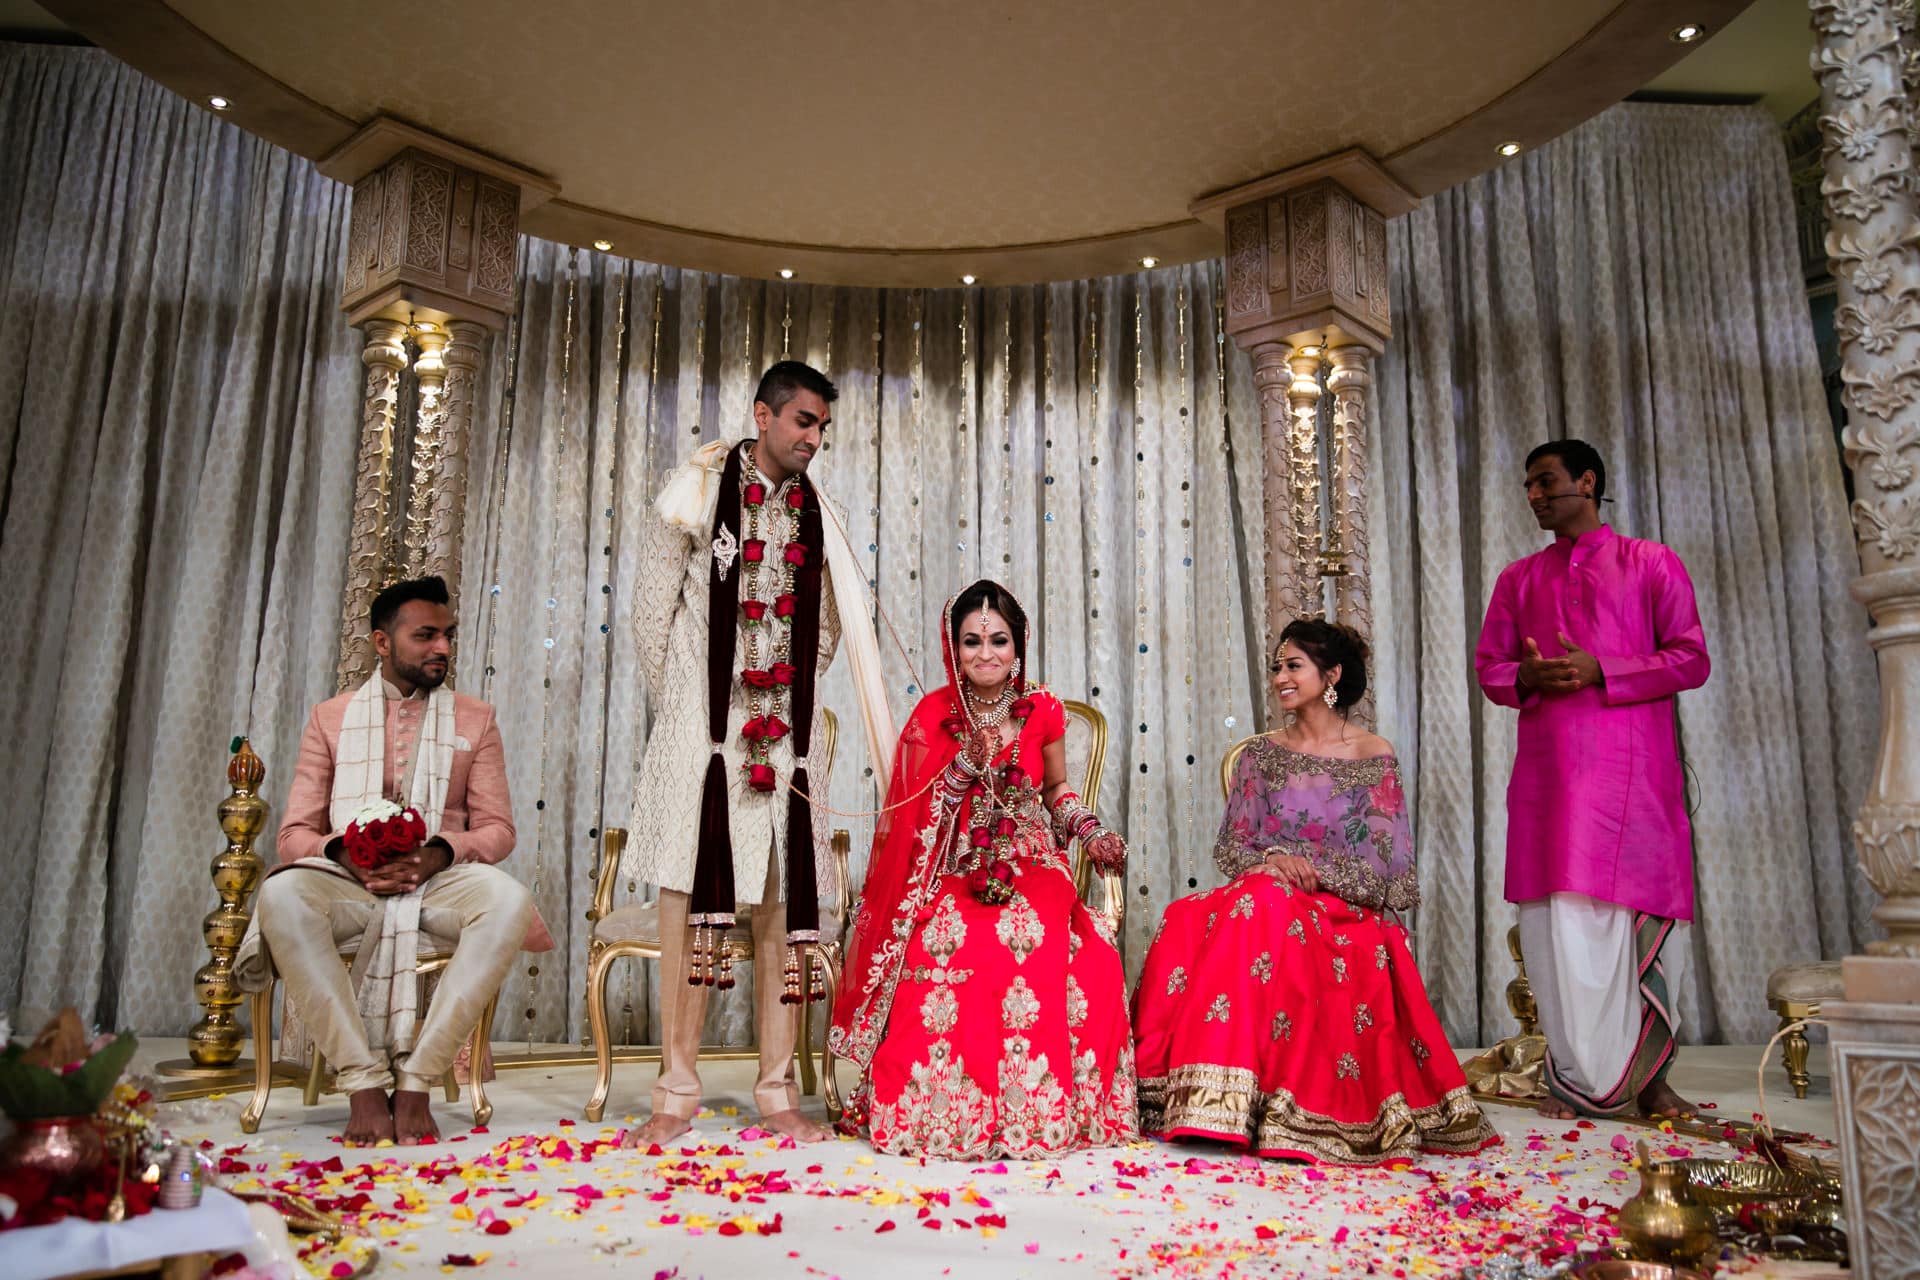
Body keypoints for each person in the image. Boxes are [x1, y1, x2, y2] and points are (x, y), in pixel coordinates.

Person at [623, 361, 894, 1147]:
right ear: (763, 414)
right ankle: (675, 1090)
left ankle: (777, 1088)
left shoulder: (821, 513)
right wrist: (690, 708)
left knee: (783, 899)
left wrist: (784, 693)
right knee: (686, 896)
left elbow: (834, 624)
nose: (814, 439)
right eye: (804, 422)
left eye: (823, 428)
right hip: (700, 731)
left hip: (784, 735)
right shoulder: (698, 490)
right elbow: (651, 614)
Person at [1133, 619, 1497, 1165]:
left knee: (1261, 904)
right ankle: (1200, 1098)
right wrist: (1274, 861)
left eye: (1293, 665)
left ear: (1332, 676)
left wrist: (1313, 870)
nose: (1280, 676)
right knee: (1185, 912)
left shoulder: (1372, 755)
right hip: (1269, 894)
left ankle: (1256, 1101)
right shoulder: (1260, 755)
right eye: (1277, 666)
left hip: (1341, 909)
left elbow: (1392, 876)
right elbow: (1232, 850)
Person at [828, 581, 1137, 1159]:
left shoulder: (1042, 707)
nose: (986, 653)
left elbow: (1057, 792)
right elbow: (914, 806)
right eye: (972, 641)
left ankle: (1035, 1110)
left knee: (1039, 935)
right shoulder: (934, 712)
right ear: (954, 647)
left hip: (1031, 858)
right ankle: (941, 1111)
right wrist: (963, 765)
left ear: (1018, 645)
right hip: (955, 857)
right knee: (949, 938)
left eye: (998, 640)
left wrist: (1090, 831)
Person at [238, 576, 543, 1146]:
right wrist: (345, 855)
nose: (443, 648)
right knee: (281, 893)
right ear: (382, 642)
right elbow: (293, 834)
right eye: (425, 635)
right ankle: (360, 1081)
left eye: (448, 635)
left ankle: (417, 1080)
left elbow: (498, 831)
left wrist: (437, 854)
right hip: (350, 884)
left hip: (438, 884)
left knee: (509, 901)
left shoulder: (474, 719)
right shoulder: (331, 718)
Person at [1474, 439, 1710, 1121]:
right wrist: (1527, 675)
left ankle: (1651, 1080)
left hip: (1633, 780)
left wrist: (1603, 670)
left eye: (1546, 481)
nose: (1535, 495)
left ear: (1588, 481)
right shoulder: (1519, 579)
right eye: (1528, 485)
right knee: (1557, 922)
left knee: (1629, 916)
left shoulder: (1650, 563)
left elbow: (1691, 658)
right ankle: (1573, 1075)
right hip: (1550, 778)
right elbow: (1491, 668)